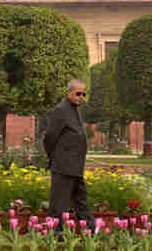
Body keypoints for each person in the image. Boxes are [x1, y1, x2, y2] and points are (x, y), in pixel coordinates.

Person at [42, 79, 95, 232]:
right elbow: (50, 137)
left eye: (83, 94)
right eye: (78, 93)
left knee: (81, 201)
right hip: (63, 166)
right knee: (59, 205)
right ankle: (55, 235)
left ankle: (91, 231)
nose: (81, 97)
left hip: (76, 166)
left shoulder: (74, 109)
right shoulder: (61, 110)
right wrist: (56, 156)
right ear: (69, 93)